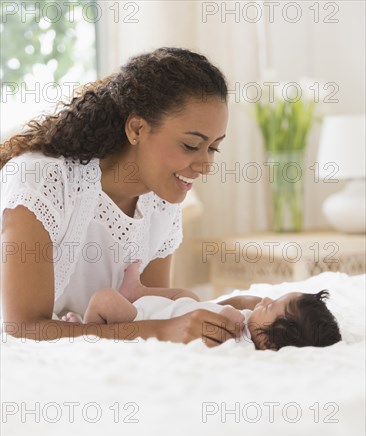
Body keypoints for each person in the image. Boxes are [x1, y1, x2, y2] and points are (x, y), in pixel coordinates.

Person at [0, 47, 240, 347]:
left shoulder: (162, 202)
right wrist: (162, 330)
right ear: (137, 128)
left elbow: (146, 314)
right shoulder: (42, 181)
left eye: (213, 148)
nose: (206, 165)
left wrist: (232, 307)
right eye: (192, 145)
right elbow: (23, 329)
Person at [62, 261, 342, 350]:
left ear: (270, 343)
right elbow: (229, 304)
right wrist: (259, 305)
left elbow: (228, 314)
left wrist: (236, 311)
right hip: (176, 307)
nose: (265, 300)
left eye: (271, 308)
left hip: (145, 317)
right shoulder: (254, 323)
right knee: (188, 294)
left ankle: (87, 329)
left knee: (104, 299)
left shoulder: (240, 338)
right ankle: (137, 290)